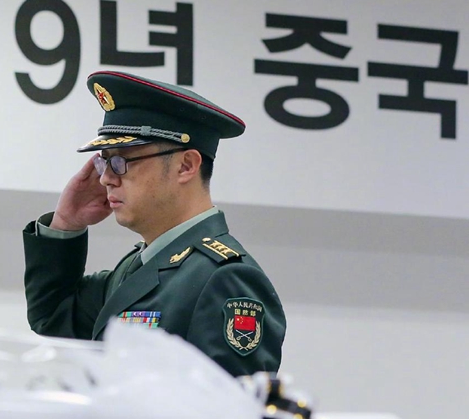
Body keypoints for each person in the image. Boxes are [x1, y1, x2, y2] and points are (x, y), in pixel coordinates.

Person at [22, 71, 285, 377]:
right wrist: (66, 224)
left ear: (186, 165)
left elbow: (227, 405)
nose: (106, 178)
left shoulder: (225, 278)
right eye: (104, 162)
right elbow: (53, 316)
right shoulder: (139, 265)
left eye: (122, 161)